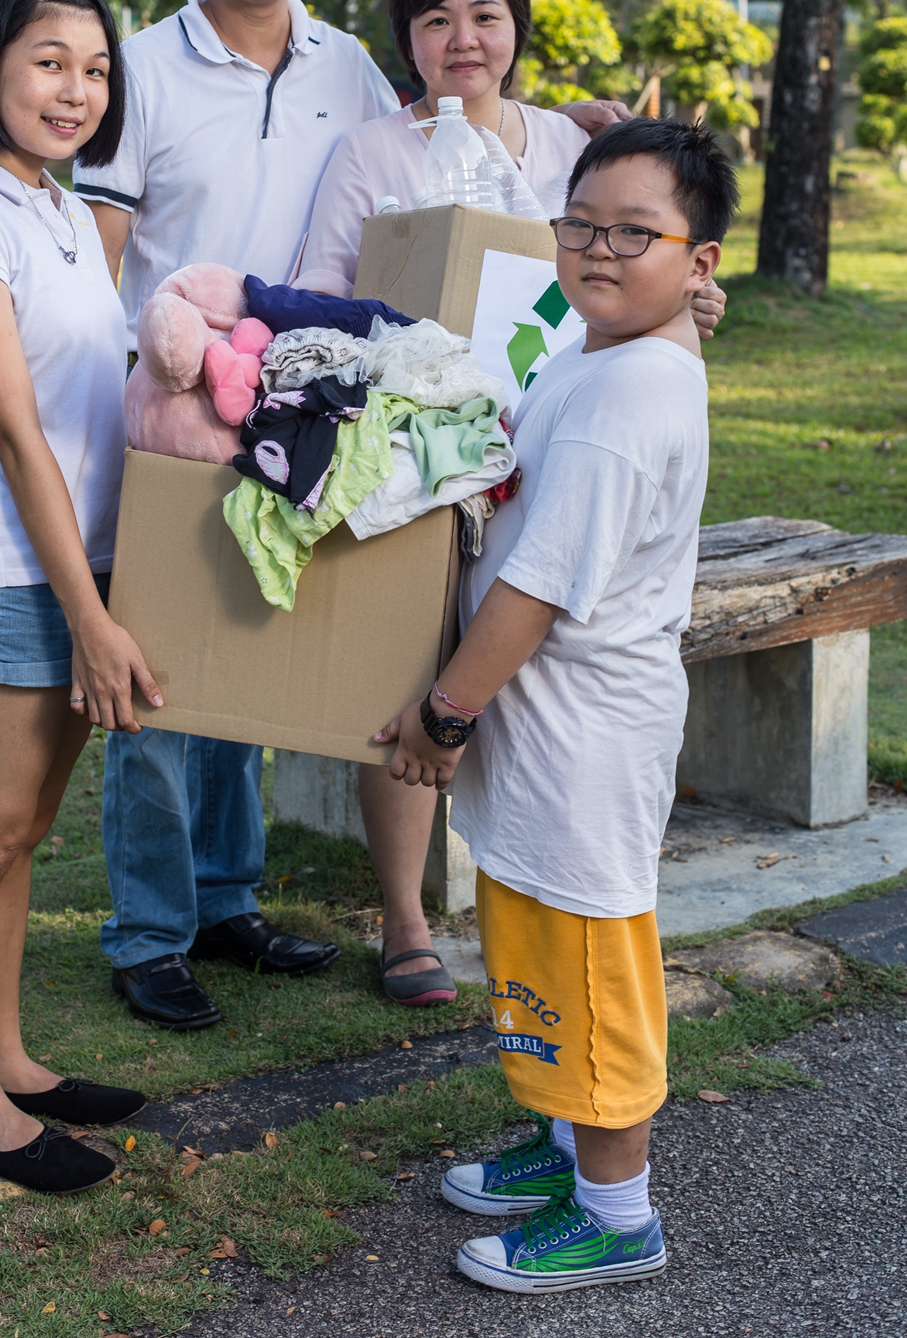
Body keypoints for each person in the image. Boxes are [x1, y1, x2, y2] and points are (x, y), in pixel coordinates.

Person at [73, 0, 628, 1029]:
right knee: (163, 670)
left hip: (298, 405)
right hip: (172, 397)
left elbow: (456, 144)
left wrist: (582, 120)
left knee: (242, 638)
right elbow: (99, 253)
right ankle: (153, 931)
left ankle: (226, 902)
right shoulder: (142, 67)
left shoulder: (342, 70)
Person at [296, 0, 727, 1008]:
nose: (462, 39)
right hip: (414, 453)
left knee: (517, 661)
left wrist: (689, 306)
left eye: (484, 15)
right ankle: (407, 918)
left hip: (548, 445)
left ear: (518, 31)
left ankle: (588, 1124)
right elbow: (319, 294)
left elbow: (646, 264)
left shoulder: (573, 148)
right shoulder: (373, 152)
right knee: (407, 667)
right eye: (436, 18)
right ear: (406, 37)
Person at [374, 117, 738, 1293]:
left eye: (638, 232)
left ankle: (618, 1214)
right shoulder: (596, 350)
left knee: (589, 965)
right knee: (532, 952)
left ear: (699, 259)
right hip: (544, 744)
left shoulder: (634, 393)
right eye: (582, 223)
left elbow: (535, 588)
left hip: (584, 743)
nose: (599, 248)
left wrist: (442, 717)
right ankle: (564, 1143)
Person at [0, 0, 160, 1194]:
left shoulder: (52, 202)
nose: (76, 89)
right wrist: (91, 618)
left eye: (95, 68)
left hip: (81, 569)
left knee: (26, 832)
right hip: (14, 574)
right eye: (50, 62)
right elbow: (17, 435)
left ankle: (10, 1060)